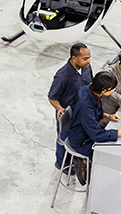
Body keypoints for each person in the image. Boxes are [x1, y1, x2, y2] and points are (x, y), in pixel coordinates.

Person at [69, 71, 121, 185]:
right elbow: (97, 135)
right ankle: (83, 160)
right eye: (112, 89)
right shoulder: (85, 105)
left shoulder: (88, 90)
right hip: (82, 141)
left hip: (85, 130)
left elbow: (93, 112)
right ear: (104, 90)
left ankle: (87, 160)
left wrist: (106, 115)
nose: (114, 91)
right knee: (110, 151)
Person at [48, 43, 93, 174]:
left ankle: (74, 158)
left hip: (82, 111)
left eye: (89, 57)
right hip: (69, 114)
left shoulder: (86, 68)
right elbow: (52, 97)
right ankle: (61, 163)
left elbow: (90, 82)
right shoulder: (63, 75)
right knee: (63, 138)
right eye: (85, 59)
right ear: (74, 58)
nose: (88, 61)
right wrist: (59, 108)